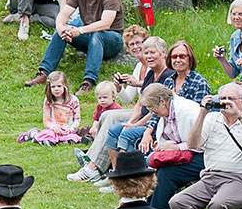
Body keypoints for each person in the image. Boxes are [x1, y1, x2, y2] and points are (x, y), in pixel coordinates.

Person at [67, 35, 172, 183]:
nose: (147, 56)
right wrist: (120, 91)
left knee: (112, 119)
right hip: (142, 115)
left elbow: (158, 111)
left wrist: (136, 124)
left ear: (163, 53)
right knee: (108, 116)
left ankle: (95, 167)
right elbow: (136, 102)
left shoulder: (167, 76)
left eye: (152, 52)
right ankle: (103, 168)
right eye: (146, 52)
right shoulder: (149, 73)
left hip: (153, 120)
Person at [25, 0, 124, 95]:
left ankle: (88, 81)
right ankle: (44, 73)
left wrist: (80, 30)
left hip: (111, 40)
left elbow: (105, 24)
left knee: (98, 35)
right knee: (64, 28)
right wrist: (61, 28)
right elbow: (63, 14)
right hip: (88, 35)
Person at [138, 83, 204, 209]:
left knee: (167, 174)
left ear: (162, 101)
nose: (151, 112)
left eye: (151, 107)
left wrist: (178, 148)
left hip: (204, 156)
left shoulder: (189, 111)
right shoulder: (167, 111)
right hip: (186, 153)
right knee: (156, 167)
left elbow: (202, 143)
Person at [17, 71, 82, 146]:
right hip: (53, 130)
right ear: (49, 88)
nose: (56, 89)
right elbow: (46, 120)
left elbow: (77, 119)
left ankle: (50, 139)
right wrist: (53, 127)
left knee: (71, 140)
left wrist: (70, 129)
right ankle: (33, 134)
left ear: (65, 86)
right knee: (47, 138)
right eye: (53, 87)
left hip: (67, 130)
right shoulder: (48, 101)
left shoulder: (73, 100)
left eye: (59, 86)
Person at [212, 0, 242, 91]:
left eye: (240, 14)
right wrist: (222, 59)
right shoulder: (235, 37)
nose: (236, 17)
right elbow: (232, 74)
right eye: (234, 14)